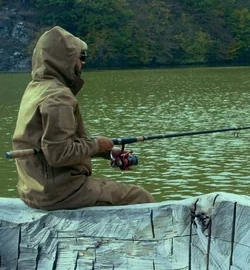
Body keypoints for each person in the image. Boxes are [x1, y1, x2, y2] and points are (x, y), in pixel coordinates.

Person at [12, 26, 155, 210]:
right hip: (61, 193)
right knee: (141, 197)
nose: (83, 63)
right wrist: (97, 144)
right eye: (82, 57)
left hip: (32, 191)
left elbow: (53, 145)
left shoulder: (36, 89)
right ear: (66, 59)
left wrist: (108, 152)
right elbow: (59, 154)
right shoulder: (58, 97)